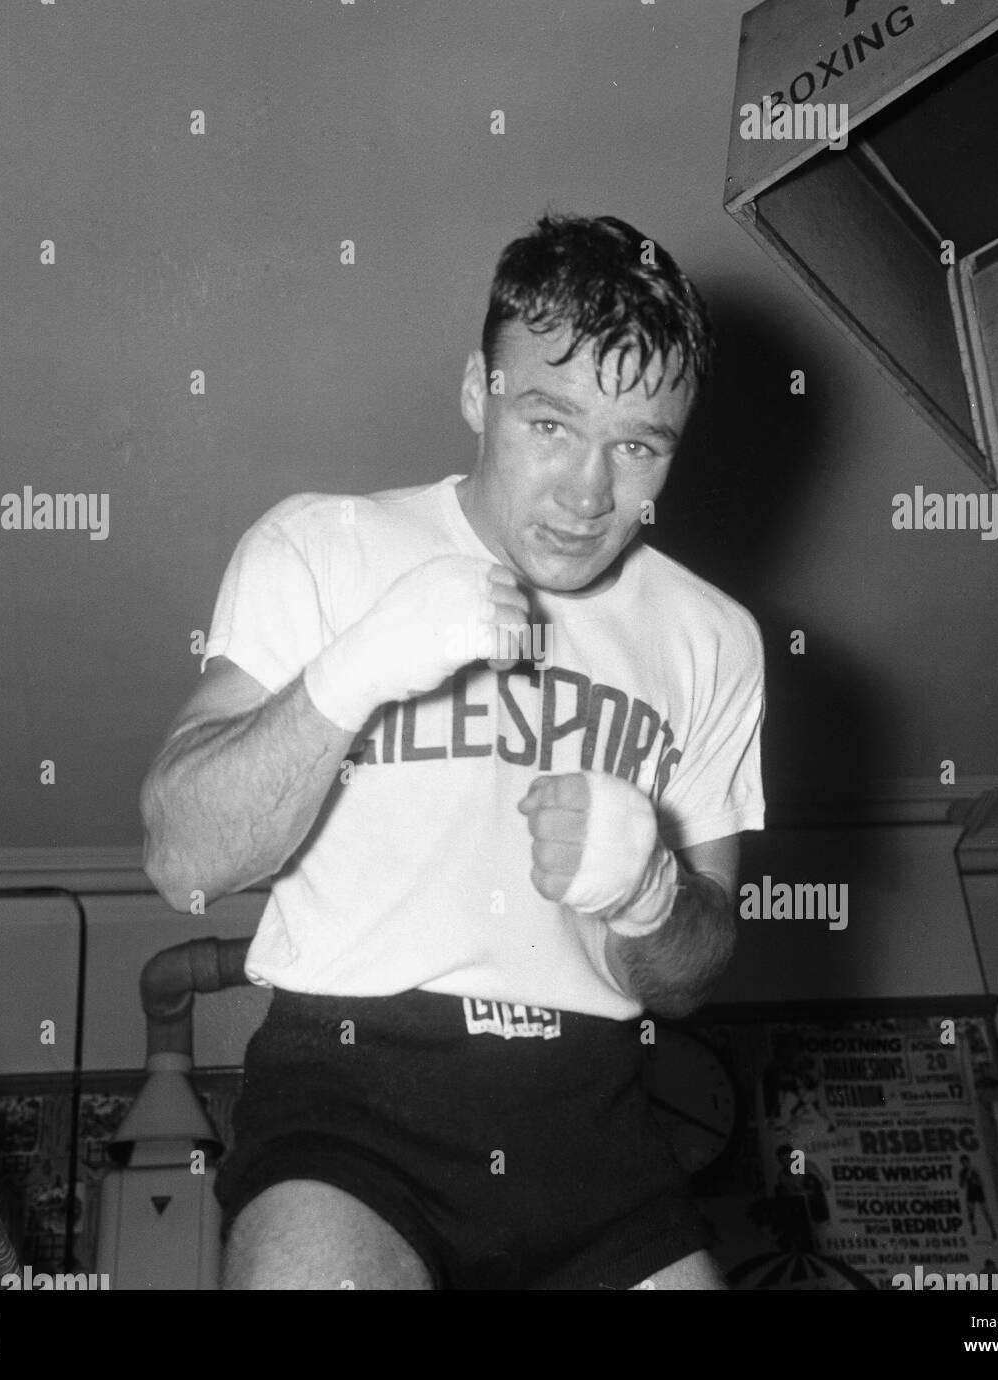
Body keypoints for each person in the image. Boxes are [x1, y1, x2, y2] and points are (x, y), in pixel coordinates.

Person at [140, 213, 766, 1290]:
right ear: (478, 393)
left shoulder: (714, 637)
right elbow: (182, 859)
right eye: (550, 423)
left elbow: (694, 979)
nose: (586, 493)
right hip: (350, 1095)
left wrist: (651, 891)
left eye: (636, 447)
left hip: (598, 1120)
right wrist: (353, 672)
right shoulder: (324, 546)